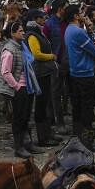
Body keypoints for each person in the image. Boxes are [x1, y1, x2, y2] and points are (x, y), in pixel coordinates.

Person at [0, 22, 44, 158]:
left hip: (27, 87)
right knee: (18, 119)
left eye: (23, 30)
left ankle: (27, 144)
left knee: (25, 117)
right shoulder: (9, 50)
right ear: (12, 34)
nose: (23, 33)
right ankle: (19, 147)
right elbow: (5, 72)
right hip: (19, 88)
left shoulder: (21, 47)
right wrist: (17, 86)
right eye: (20, 31)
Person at [63, 4, 95, 152]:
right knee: (87, 108)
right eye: (80, 12)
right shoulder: (79, 32)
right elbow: (94, 51)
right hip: (85, 73)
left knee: (77, 107)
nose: (83, 14)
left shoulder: (68, 30)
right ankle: (89, 141)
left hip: (74, 72)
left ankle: (78, 137)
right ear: (75, 16)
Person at [24, 9, 62, 146]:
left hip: (44, 72)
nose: (44, 21)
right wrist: (52, 56)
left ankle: (48, 133)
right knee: (41, 104)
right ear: (36, 19)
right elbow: (36, 54)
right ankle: (42, 137)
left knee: (46, 103)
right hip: (40, 73)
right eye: (42, 18)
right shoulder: (32, 36)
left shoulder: (37, 33)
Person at [42, 0, 69, 127]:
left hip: (69, 61)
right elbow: (45, 42)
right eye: (66, 7)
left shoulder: (68, 22)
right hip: (56, 63)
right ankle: (58, 122)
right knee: (55, 93)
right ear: (60, 9)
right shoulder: (49, 24)